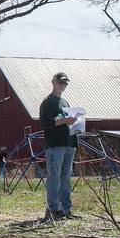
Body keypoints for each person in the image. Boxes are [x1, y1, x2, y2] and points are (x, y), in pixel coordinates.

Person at [39, 72, 78, 221]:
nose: (63, 85)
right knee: (54, 177)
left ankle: (66, 210)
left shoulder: (65, 102)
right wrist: (64, 120)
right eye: (61, 82)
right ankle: (54, 210)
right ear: (53, 82)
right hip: (55, 145)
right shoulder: (47, 102)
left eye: (65, 83)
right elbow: (45, 123)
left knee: (66, 178)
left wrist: (75, 122)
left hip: (69, 143)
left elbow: (67, 121)